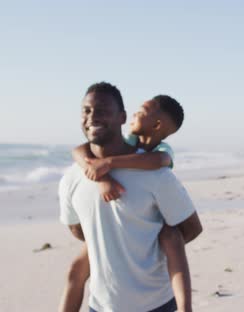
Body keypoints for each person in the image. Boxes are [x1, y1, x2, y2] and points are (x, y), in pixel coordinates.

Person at [59, 82, 203, 312]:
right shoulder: (72, 178)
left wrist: (148, 247)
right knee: (75, 271)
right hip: (100, 306)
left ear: (121, 117)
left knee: (171, 236)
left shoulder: (156, 171)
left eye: (103, 110)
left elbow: (192, 227)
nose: (93, 116)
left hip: (156, 305)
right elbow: (78, 230)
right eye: (86, 110)